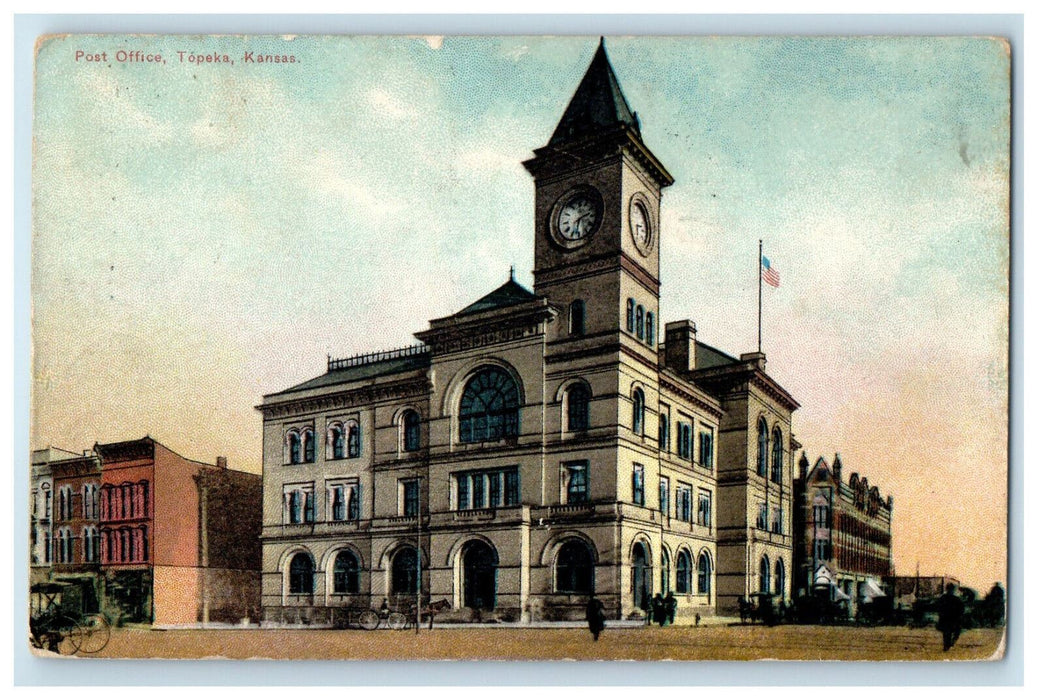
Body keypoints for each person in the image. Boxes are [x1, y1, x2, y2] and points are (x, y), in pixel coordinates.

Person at [936, 583, 964, 652]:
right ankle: (950, 644)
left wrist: (941, 615)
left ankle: (947, 646)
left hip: (945, 619)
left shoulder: (942, 598)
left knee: (946, 634)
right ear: (953, 590)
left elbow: (938, 607)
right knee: (955, 632)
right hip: (954, 619)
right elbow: (961, 609)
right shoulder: (957, 599)